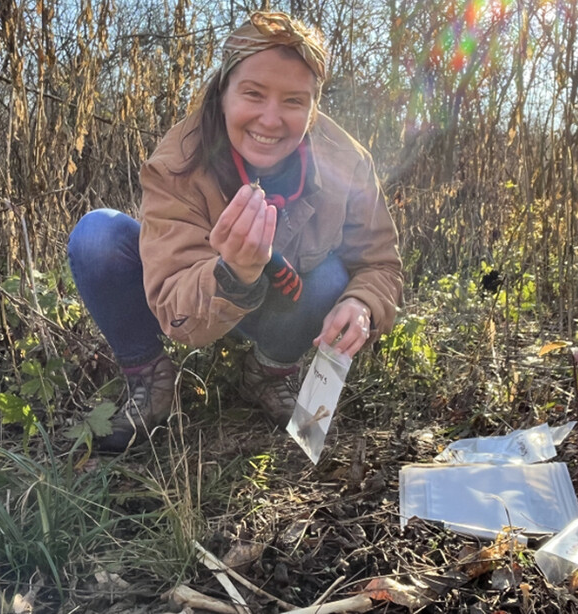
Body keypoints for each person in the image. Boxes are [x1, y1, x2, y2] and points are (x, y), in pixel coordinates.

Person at [67, 11, 403, 453]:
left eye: (293, 101)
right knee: (97, 237)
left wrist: (362, 304)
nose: (270, 119)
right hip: (198, 298)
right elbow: (177, 314)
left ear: (313, 106)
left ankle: (268, 373)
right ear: (223, 92)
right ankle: (148, 376)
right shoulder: (175, 162)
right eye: (253, 94)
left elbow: (380, 263)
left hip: (285, 299)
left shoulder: (347, 160)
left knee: (336, 278)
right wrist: (233, 274)